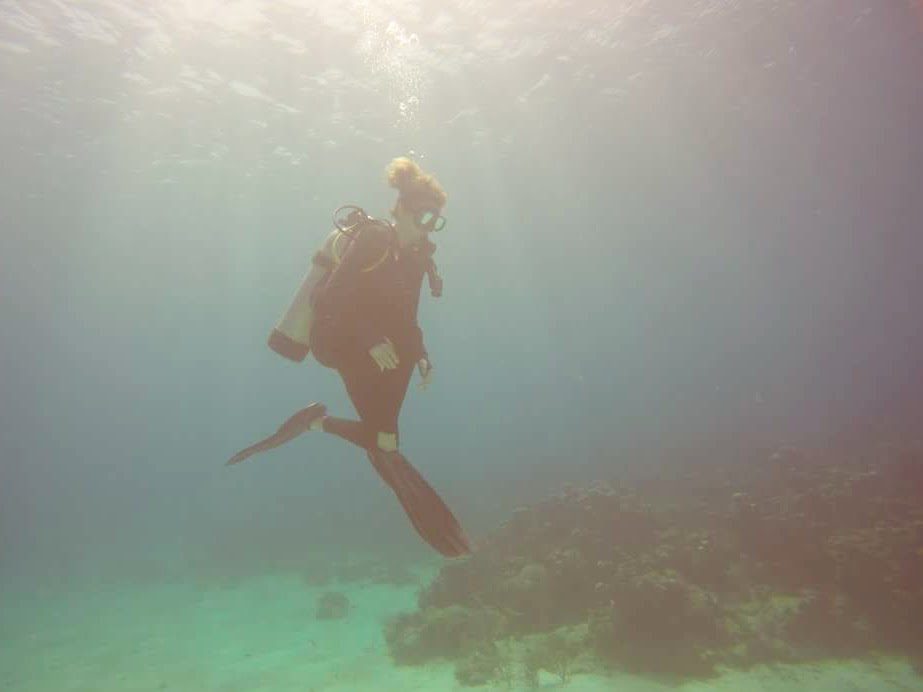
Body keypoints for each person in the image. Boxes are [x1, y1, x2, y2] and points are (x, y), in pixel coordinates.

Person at [227, 157, 471, 558]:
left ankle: (325, 426)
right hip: (338, 340)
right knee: (382, 440)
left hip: (376, 346)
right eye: (425, 218)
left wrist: (422, 353)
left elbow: (408, 317)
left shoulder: (415, 257)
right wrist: (370, 338)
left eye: (437, 223)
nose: (428, 230)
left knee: (384, 437)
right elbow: (328, 298)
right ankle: (361, 437)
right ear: (403, 211)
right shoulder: (374, 239)